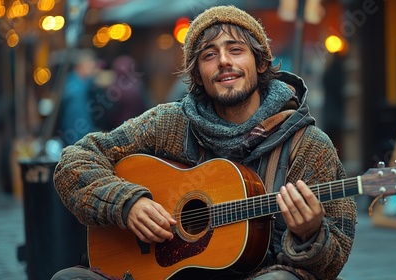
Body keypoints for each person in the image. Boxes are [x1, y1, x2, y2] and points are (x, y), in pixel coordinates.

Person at [52, 5, 356, 280]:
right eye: (209, 55)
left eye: (236, 50)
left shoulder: (309, 146)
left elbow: (333, 260)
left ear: (261, 63)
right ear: (198, 75)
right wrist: (127, 203)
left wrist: (311, 234)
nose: (224, 61)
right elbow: (75, 161)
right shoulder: (169, 124)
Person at [56, 48, 99, 146]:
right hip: (74, 134)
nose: (92, 70)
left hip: (82, 132)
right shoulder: (72, 86)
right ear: (80, 66)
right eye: (89, 66)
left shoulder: (84, 83)